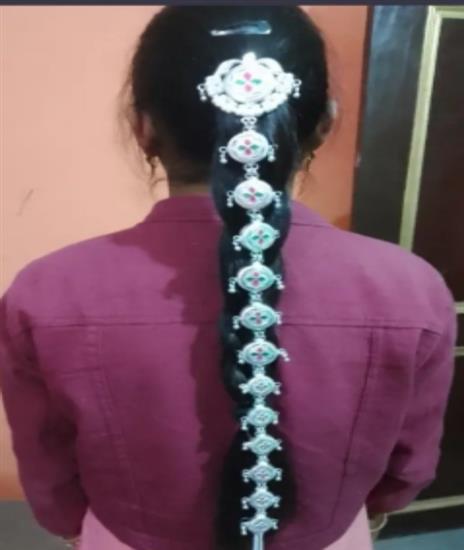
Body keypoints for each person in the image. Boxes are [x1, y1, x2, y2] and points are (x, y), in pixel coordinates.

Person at [0, 6, 457, 550]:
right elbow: (406, 470)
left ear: (144, 128)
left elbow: (50, 476)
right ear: (324, 123)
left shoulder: (47, 292)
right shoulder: (411, 288)